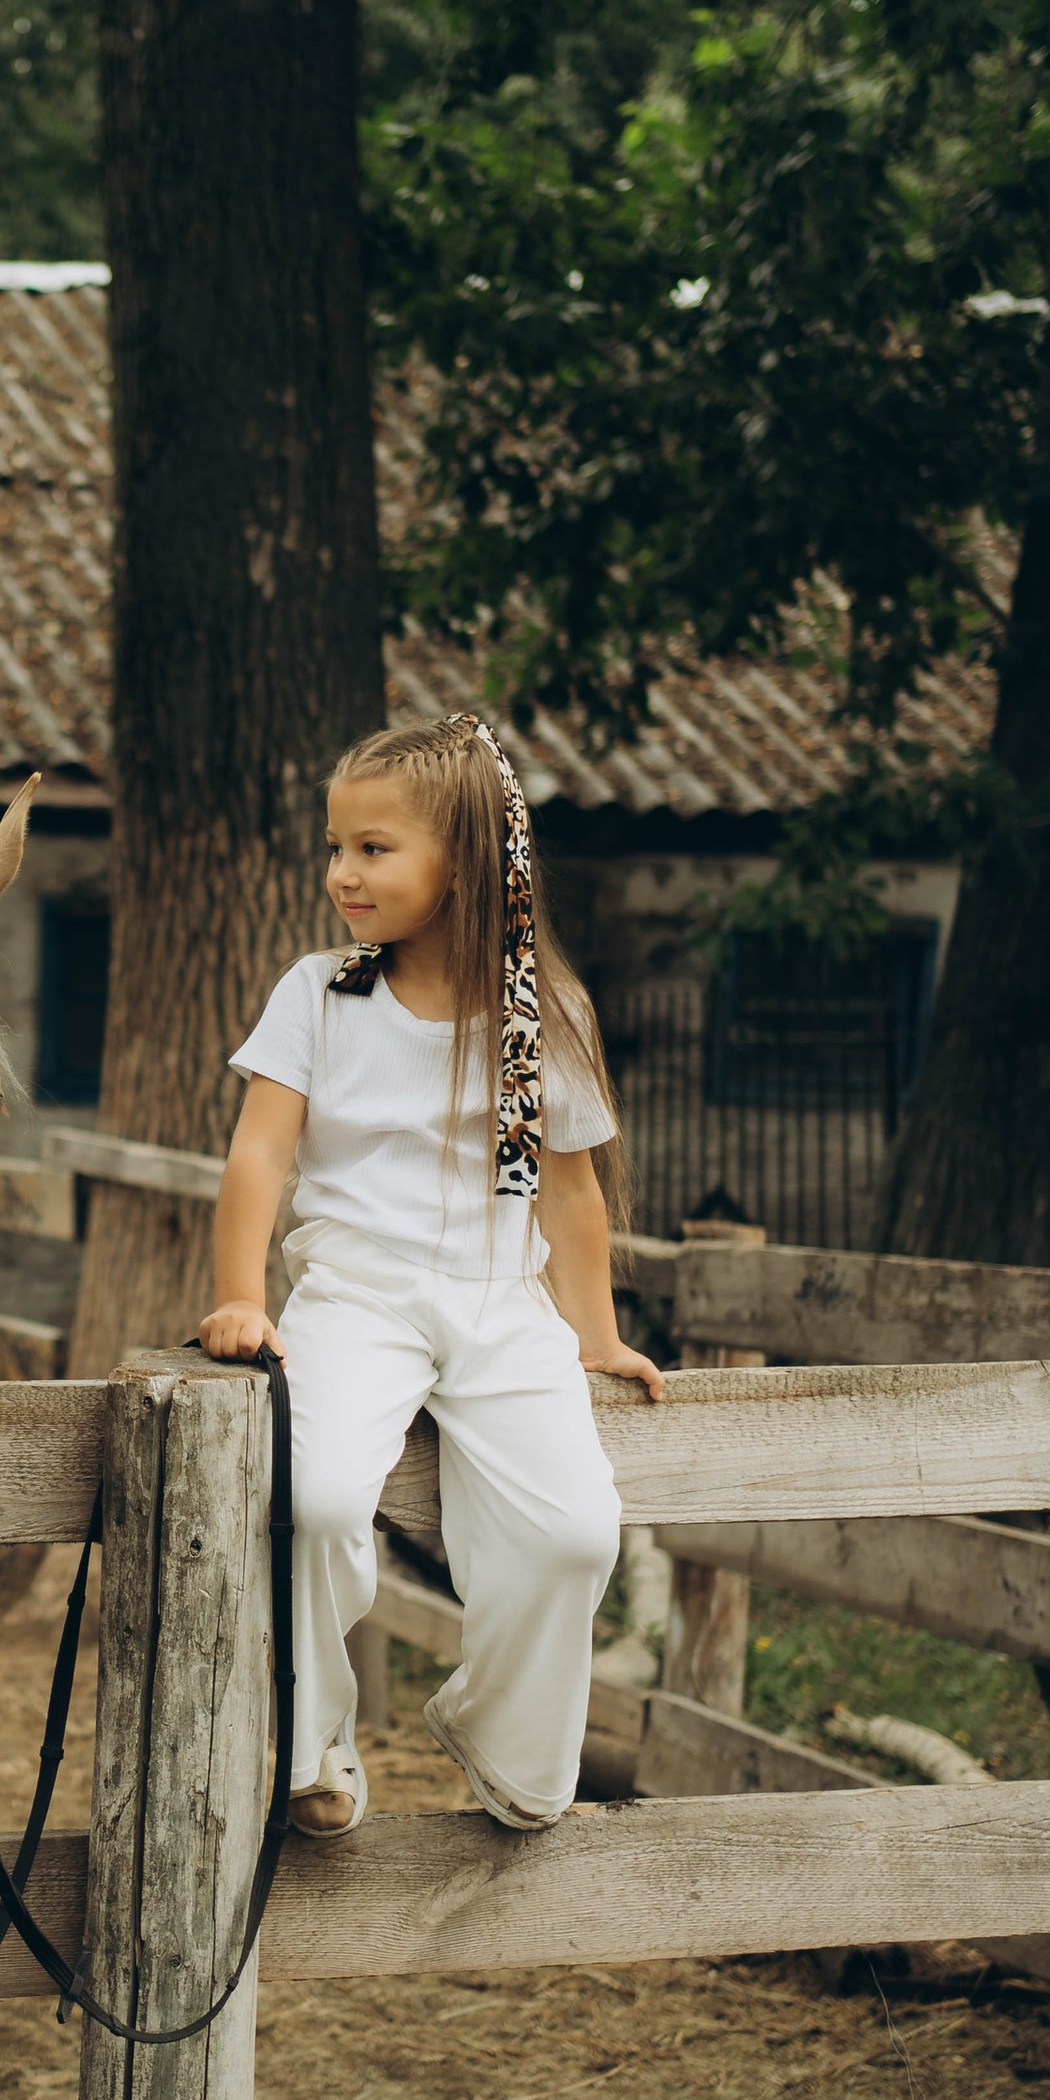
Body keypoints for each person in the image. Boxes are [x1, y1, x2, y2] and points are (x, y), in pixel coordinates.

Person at [198, 712, 664, 1837]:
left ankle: (500, 1731)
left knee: (572, 1535)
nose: (340, 874)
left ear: (462, 862)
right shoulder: (321, 994)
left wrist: (593, 1337)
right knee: (307, 1501)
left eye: (372, 849)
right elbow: (259, 1155)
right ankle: (311, 1742)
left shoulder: (534, 1018)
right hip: (358, 1294)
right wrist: (242, 1298)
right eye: (335, 847)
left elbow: (569, 1192)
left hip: (501, 1301)